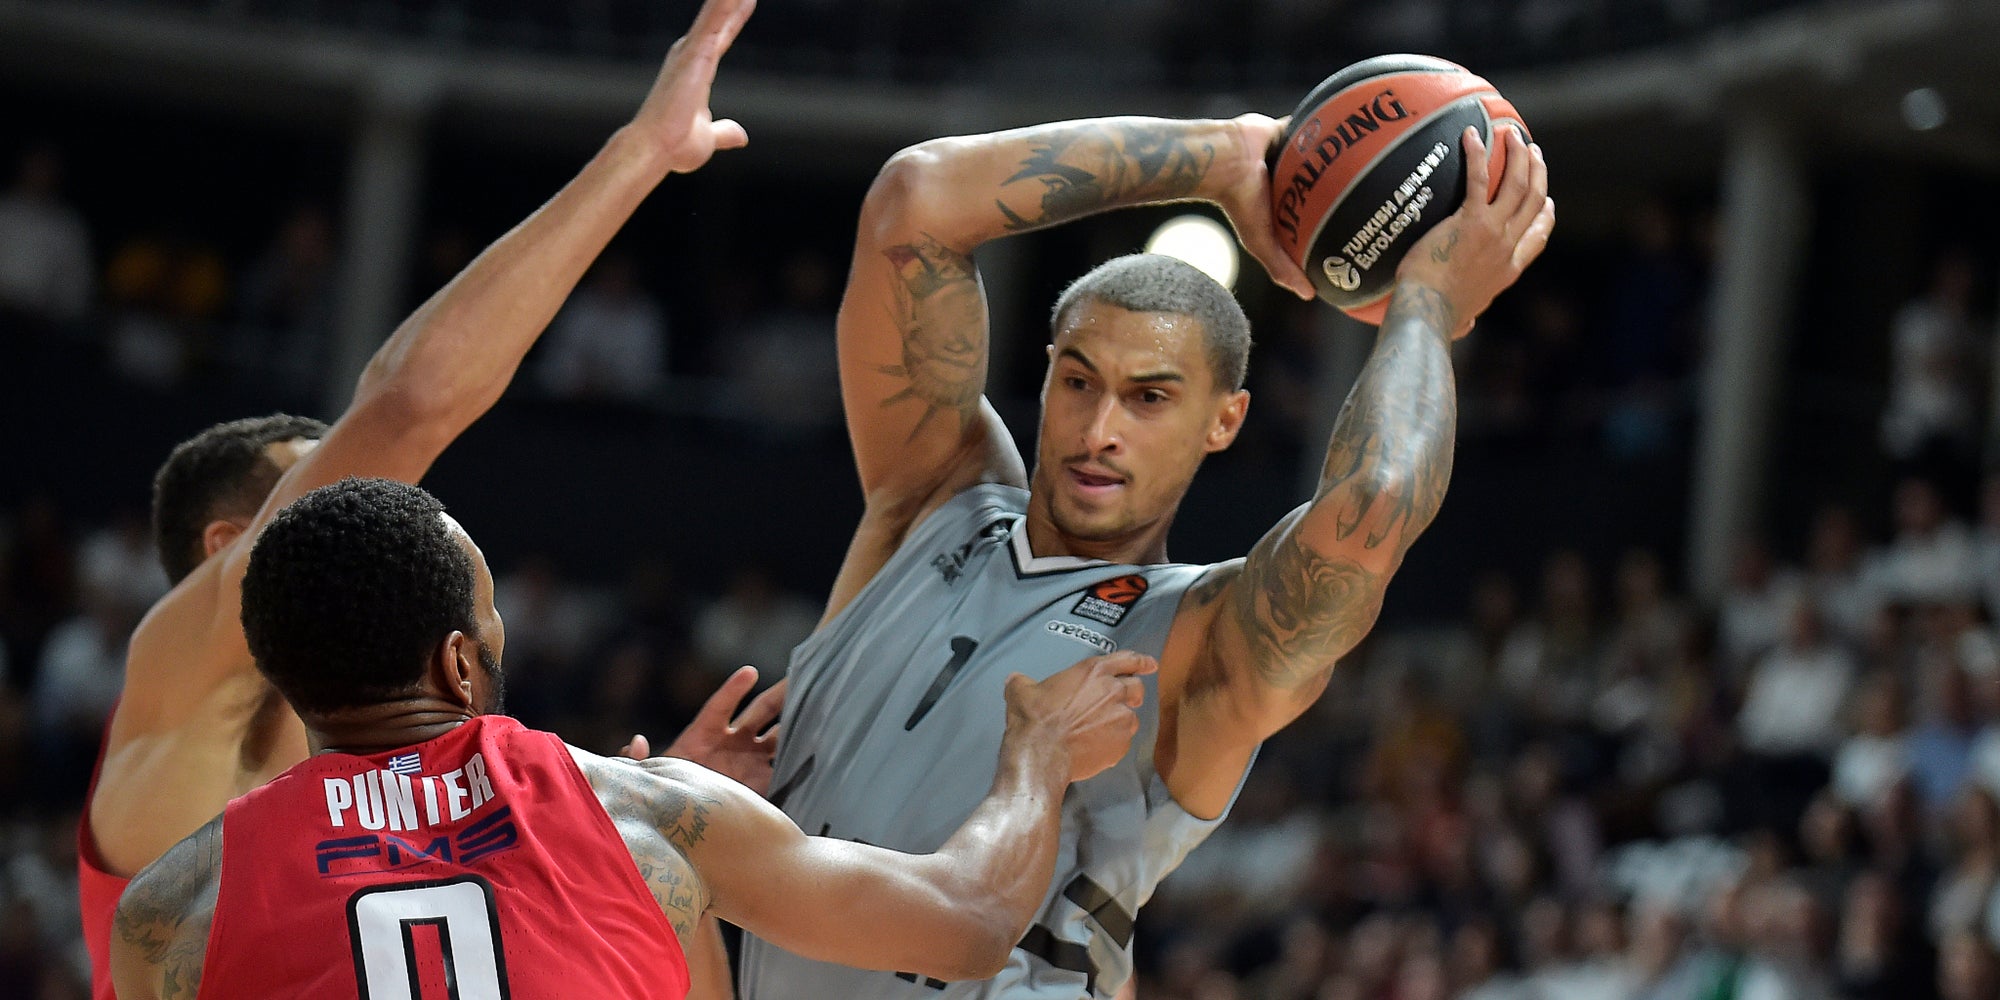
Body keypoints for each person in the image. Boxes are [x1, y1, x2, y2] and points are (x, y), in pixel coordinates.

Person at [740, 109, 1553, 997]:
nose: (1100, 430)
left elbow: (1377, 503)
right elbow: (915, 197)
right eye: (1079, 381)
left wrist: (1427, 303)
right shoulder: (931, 500)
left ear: (1224, 420)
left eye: (1149, 398)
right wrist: (1222, 158)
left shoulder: (1195, 639)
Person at [79, 0, 768, 994]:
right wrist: (640, 154)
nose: (361, 506)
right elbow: (403, 408)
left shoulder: (404, 766)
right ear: (230, 546)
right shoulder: (182, 688)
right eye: (311, 486)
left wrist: (656, 820)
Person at [109, 477, 1155, 998]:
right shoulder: (638, 817)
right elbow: (967, 919)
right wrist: (1039, 754)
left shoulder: (170, 910)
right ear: (458, 666)